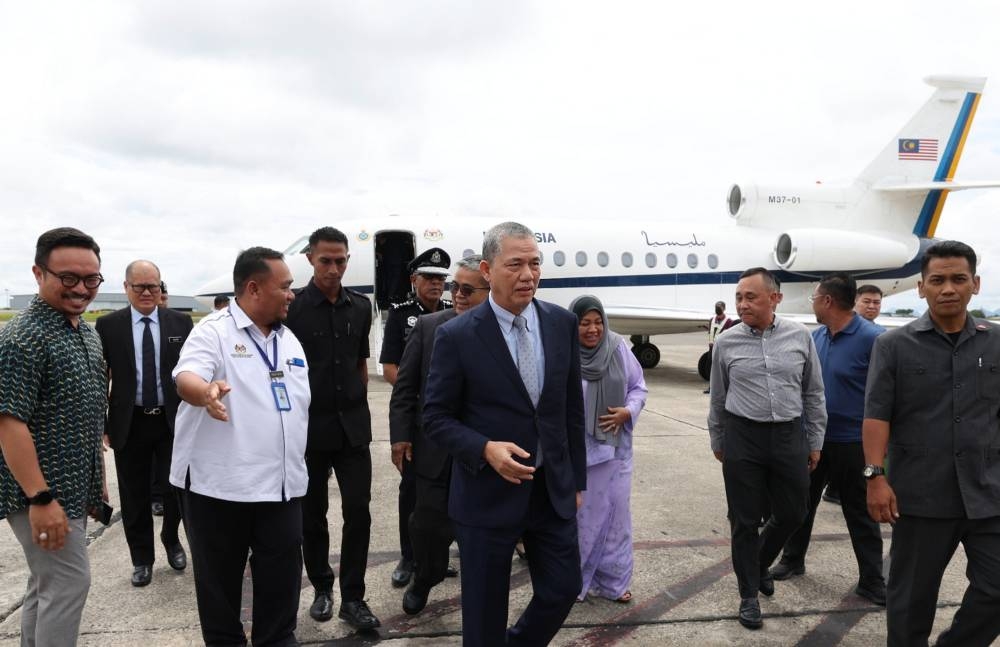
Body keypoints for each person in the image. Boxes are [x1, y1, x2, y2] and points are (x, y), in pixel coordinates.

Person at [424, 221, 587, 646]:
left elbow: (570, 409)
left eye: (535, 263)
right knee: (483, 615)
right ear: (487, 269)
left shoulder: (560, 323)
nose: (528, 275)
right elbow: (435, 418)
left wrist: (577, 481)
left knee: (563, 588)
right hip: (486, 495)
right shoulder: (457, 336)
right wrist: (484, 449)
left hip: (550, 489)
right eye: (515, 264)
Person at [171, 246, 309, 647]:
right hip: (219, 490)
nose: (291, 294)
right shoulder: (213, 332)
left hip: (282, 489)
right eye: (284, 287)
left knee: (281, 596)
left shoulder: (289, 341)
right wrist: (206, 393)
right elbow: (186, 376)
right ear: (253, 288)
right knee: (220, 601)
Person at [865, 240, 1000, 646]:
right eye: (937, 280)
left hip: (987, 494)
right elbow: (876, 416)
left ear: (975, 284)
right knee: (910, 604)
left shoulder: (995, 342)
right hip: (920, 497)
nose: (948, 288)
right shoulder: (893, 346)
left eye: (958, 279)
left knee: (996, 591)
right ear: (921, 287)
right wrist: (875, 476)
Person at [0, 227, 109, 647]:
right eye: (68, 278)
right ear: (38, 273)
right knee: (69, 585)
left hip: (71, 489)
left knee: (45, 586)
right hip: (41, 494)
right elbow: (8, 422)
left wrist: (94, 483)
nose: (81, 289)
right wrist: (40, 500)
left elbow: (85, 416)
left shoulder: (84, 331)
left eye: (91, 279)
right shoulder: (22, 338)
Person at [707, 267, 826, 630]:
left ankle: (758, 563)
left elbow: (813, 392)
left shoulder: (799, 336)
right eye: (739, 297)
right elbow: (718, 397)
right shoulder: (727, 342)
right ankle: (748, 596)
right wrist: (719, 439)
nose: (742, 304)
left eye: (751, 297)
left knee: (794, 511)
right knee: (744, 519)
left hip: (789, 434)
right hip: (743, 436)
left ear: (775, 298)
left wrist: (815, 439)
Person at [768, 273, 885, 605]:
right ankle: (793, 559)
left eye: (815, 297)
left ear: (828, 301)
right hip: (814, 441)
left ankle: (872, 580)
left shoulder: (875, 339)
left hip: (855, 445)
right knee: (800, 505)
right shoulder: (814, 338)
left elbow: (888, 396)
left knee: (860, 512)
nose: (814, 303)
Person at [284, 227, 380, 631]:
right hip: (309, 429)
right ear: (310, 259)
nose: (334, 268)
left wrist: (358, 398)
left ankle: (353, 597)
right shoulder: (293, 309)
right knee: (313, 514)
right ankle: (323, 585)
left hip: (353, 428)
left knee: (358, 512)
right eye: (326, 260)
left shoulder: (360, 306)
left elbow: (361, 363)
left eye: (341, 260)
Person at [389, 255, 491, 614]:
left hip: (481, 454)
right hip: (433, 451)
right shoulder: (429, 326)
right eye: (454, 287)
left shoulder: (498, 332)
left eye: (467, 289)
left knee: (478, 533)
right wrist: (400, 436)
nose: (458, 295)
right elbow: (404, 387)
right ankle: (425, 577)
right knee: (427, 525)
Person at [95, 260, 193, 587]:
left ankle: (171, 538)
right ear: (127, 289)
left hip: (171, 421)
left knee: (174, 489)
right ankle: (141, 558)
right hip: (130, 421)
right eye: (140, 287)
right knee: (134, 495)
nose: (149, 292)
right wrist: (104, 423)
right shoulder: (109, 326)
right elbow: (101, 378)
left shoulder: (180, 322)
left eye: (155, 286)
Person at [379, 246, 452, 589]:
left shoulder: (456, 314)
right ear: (414, 280)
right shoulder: (401, 315)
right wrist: (425, 392)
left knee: (446, 494)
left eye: (440, 278)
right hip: (418, 417)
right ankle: (409, 557)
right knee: (412, 492)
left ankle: (435, 556)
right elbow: (391, 368)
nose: (436, 284)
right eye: (429, 278)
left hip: (448, 422)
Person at [570, 295, 647, 604]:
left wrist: (627, 412)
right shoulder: (563, 355)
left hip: (615, 451)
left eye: (598, 322)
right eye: (585, 323)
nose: (593, 329)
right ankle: (576, 582)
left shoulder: (617, 348)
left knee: (616, 519)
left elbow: (638, 387)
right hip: (580, 456)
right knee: (582, 521)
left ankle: (614, 582)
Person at [704, 301, 737, 393]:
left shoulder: (729, 322)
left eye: (719, 308)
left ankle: (720, 388)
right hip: (711, 348)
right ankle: (711, 387)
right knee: (710, 367)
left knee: (720, 370)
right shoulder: (712, 320)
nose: (718, 310)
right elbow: (711, 332)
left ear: (724, 309)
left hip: (722, 349)